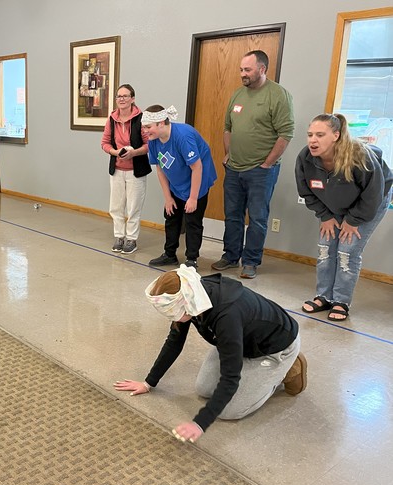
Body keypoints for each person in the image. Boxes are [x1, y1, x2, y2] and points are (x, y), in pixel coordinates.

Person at [114, 266, 306, 442]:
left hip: (274, 348)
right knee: (204, 389)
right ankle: (250, 365)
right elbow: (174, 342)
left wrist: (199, 423)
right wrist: (149, 383)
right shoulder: (193, 294)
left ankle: (288, 368)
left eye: (173, 313)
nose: (171, 318)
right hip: (239, 341)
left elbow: (231, 377)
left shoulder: (226, 315)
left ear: (186, 304)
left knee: (230, 411)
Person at [296, 113, 393, 322]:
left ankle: (340, 301)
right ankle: (323, 296)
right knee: (325, 248)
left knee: (347, 251)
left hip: (370, 204)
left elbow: (373, 195)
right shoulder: (305, 158)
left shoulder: (360, 156)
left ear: (336, 135)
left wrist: (352, 221)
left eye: (320, 135)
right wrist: (325, 216)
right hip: (333, 207)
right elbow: (306, 192)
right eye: (310, 134)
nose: (313, 140)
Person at [211, 50, 295, 279]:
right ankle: (230, 256)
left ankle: (250, 262)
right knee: (233, 215)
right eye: (241, 69)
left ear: (262, 69)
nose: (242, 74)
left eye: (247, 70)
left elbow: (286, 133)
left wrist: (267, 164)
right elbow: (228, 127)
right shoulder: (238, 95)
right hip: (234, 168)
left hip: (261, 171)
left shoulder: (278, 95)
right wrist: (228, 154)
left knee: (257, 218)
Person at [142, 105, 217, 269]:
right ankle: (170, 254)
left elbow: (197, 167)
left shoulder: (183, 136)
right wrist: (168, 197)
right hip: (177, 184)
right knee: (171, 216)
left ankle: (192, 259)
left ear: (161, 123)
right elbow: (160, 168)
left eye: (148, 127)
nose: (145, 131)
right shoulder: (153, 141)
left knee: (192, 221)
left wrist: (193, 198)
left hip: (197, 182)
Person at [100, 84, 151, 255]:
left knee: (134, 207)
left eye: (125, 96)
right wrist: (115, 152)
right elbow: (105, 143)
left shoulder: (141, 118)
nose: (121, 99)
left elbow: (149, 144)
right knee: (116, 206)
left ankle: (131, 239)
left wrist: (134, 153)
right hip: (117, 169)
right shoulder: (111, 119)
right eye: (118, 96)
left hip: (136, 171)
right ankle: (119, 236)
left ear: (132, 98)